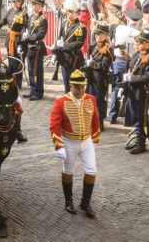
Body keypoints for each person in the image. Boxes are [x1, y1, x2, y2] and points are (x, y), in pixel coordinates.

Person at [49, 70, 100, 218]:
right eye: (77, 87)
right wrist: (59, 146)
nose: (81, 90)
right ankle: (68, 200)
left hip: (86, 141)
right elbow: (54, 125)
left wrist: (95, 139)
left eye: (83, 87)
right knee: (68, 170)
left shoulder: (91, 99)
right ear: (70, 86)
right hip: (69, 141)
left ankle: (85, 202)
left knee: (91, 170)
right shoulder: (61, 102)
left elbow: (96, 121)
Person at [123, 29, 149, 155]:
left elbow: (147, 77)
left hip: (142, 91)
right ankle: (139, 137)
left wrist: (131, 78)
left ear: (148, 44)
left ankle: (142, 141)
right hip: (133, 89)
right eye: (139, 42)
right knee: (135, 116)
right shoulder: (136, 54)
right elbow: (131, 68)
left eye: (143, 42)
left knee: (142, 117)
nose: (140, 44)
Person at [55, 0, 87, 93]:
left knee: (73, 83)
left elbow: (78, 44)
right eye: (68, 11)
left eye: (71, 12)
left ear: (77, 13)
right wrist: (55, 52)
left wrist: (63, 45)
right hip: (64, 57)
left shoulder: (81, 27)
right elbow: (60, 37)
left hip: (74, 58)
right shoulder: (65, 23)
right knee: (65, 82)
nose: (69, 14)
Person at [84, 22, 113, 130]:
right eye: (96, 34)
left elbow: (104, 65)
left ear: (105, 36)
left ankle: (99, 122)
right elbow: (88, 58)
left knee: (99, 101)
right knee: (90, 100)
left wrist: (91, 63)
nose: (97, 36)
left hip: (100, 79)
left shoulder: (108, 49)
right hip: (91, 78)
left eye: (100, 35)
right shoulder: (92, 46)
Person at [25, 0, 49, 101]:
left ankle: (39, 92)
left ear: (40, 6)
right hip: (30, 47)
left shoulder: (43, 19)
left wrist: (28, 38)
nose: (32, 6)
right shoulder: (31, 16)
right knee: (30, 70)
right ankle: (33, 90)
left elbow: (40, 34)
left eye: (34, 4)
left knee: (37, 71)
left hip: (37, 47)